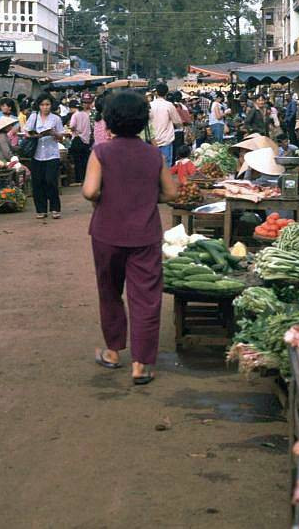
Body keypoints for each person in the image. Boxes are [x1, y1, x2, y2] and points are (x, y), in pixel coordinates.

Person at [83, 89, 178, 385]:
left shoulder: (101, 152)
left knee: (110, 292)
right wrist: (148, 197)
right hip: (145, 235)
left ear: (109, 120)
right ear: (142, 120)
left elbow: (89, 191)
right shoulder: (154, 154)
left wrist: (107, 196)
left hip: (107, 233)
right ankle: (141, 364)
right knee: (146, 298)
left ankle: (113, 352)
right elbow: (172, 192)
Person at [26, 92, 65, 219]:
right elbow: (26, 133)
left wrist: (54, 134)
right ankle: (41, 209)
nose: (45, 107)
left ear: (51, 105)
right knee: (37, 182)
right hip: (36, 153)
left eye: (47, 104)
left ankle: (55, 208)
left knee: (50, 181)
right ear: (39, 105)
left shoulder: (56, 119)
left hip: (52, 154)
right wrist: (34, 135)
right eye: (42, 104)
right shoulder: (33, 117)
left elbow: (61, 137)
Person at [148, 83, 179, 167]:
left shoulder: (150, 105)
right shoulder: (169, 105)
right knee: (165, 167)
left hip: (152, 141)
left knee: (152, 166)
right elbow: (177, 122)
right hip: (166, 140)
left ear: (156, 93)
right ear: (166, 93)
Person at [68, 96, 92, 184]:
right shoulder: (86, 115)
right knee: (85, 160)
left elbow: (72, 126)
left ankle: (78, 179)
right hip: (86, 140)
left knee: (77, 160)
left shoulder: (75, 115)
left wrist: (75, 130)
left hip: (77, 139)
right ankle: (86, 178)